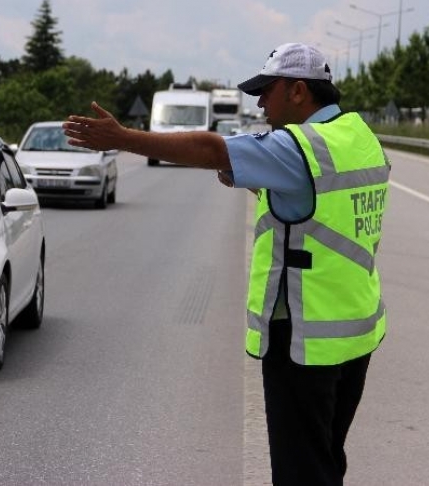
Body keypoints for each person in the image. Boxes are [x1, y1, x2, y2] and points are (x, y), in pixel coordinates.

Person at [63, 42, 390, 486]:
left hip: (304, 337)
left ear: (297, 91)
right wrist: (263, 186)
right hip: (354, 334)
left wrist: (123, 139)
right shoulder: (358, 137)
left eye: (266, 90)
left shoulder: (298, 146)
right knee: (326, 460)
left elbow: (212, 149)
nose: (259, 102)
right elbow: (321, 209)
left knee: (301, 471)